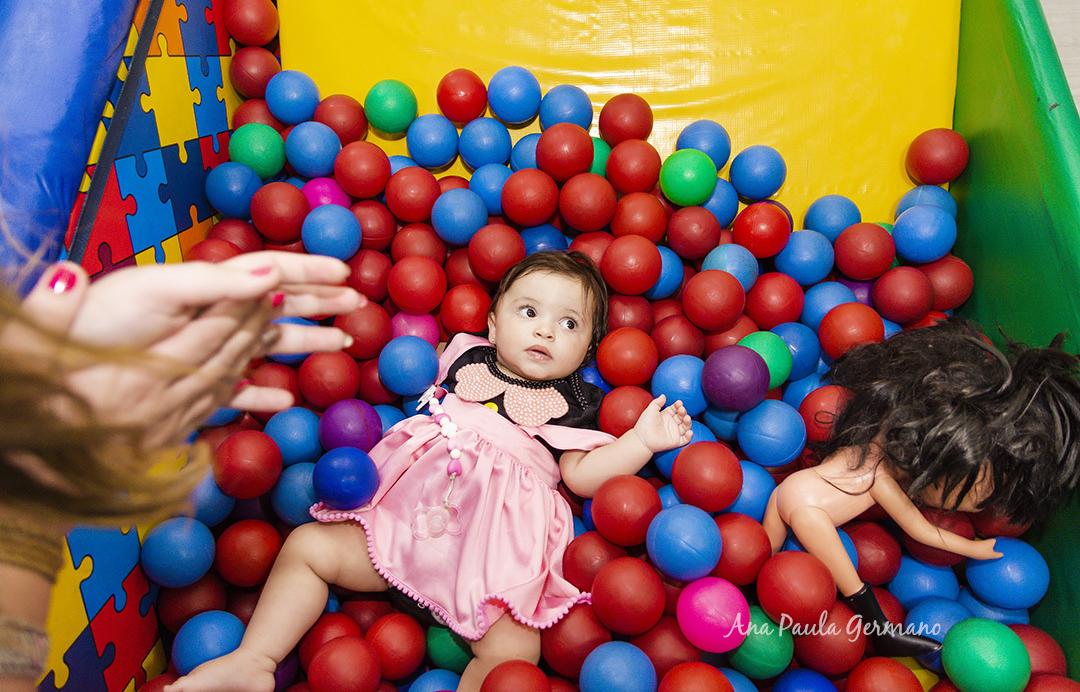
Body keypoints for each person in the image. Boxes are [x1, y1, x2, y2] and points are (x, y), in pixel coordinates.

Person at [166, 250, 694, 692]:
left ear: (586, 351)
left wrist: (640, 442)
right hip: (407, 523)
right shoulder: (464, 356)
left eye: (569, 324)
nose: (546, 331)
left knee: (515, 655)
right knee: (306, 547)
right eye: (528, 312)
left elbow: (582, 476)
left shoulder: (575, 401)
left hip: (489, 559)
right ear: (492, 323)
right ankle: (255, 660)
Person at [0, 251, 363, 689]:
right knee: (311, 547)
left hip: (463, 570)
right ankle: (254, 657)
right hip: (417, 525)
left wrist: (37, 445)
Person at [762, 318, 1080, 656]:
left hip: (787, 492)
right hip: (806, 510)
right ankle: (881, 629)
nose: (978, 507)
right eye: (970, 496)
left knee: (762, 557)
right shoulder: (879, 478)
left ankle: (754, 586)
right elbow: (920, 530)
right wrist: (974, 549)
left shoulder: (869, 442)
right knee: (846, 574)